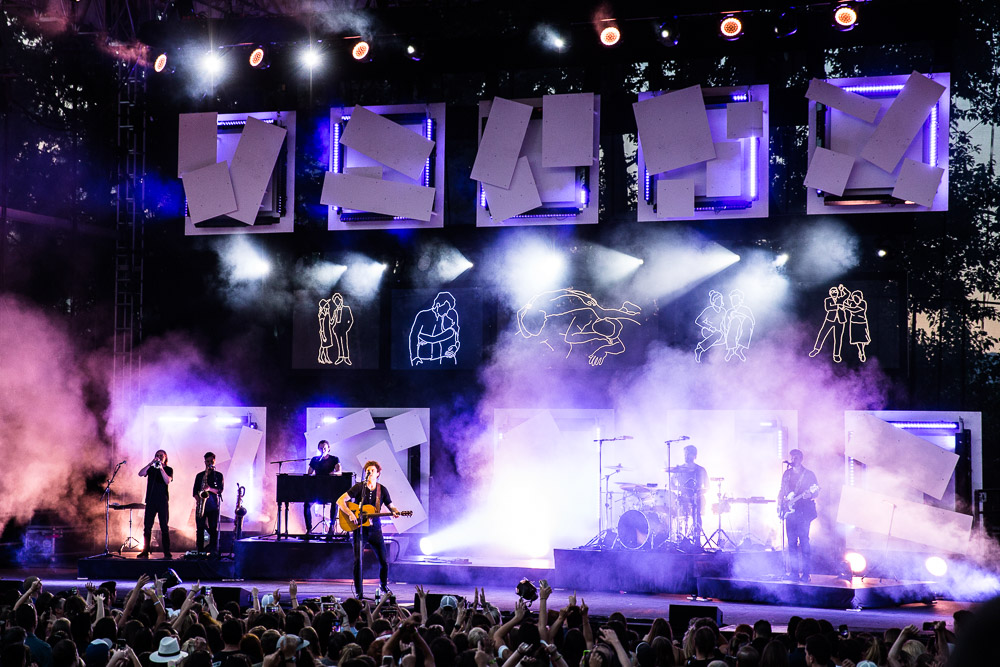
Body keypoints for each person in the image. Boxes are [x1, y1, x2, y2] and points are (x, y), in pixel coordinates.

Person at [336, 460, 401, 599]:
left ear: (378, 473)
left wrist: (395, 511)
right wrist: (350, 513)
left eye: (372, 470)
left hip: (376, 530)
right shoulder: (359, 488)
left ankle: (383, 585)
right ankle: (359, 593)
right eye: (367, 470)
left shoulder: (382, 489)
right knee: (358, 561)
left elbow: (391, 505)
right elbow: (340, 501)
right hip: (360, 530)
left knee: (384, 561)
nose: (369, 472)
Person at [779, 449, 820, 582]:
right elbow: (781, 490)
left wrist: (811, 494)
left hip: (803, 513)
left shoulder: (808, 475)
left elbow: (816, 491)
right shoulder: (787, 474)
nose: (792, 460)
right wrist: (780, 504)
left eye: (795, 458)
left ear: (801, 459)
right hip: (789, 514)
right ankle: (794, 573)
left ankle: (806, 574)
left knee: (804, 543)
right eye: (791, 457)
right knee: (791, 544)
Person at [137, 449, 173, 559]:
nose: (159, 457)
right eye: (157, 455)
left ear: (165, 457)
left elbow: (167, 481)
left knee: (164, 527)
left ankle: (167, 552)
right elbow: (140, 473)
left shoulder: (168, 469)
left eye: (161, 455)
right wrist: (150, 463)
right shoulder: (151, 469)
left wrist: (161, 468)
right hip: (151, 501)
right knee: (147, 527)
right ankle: (145, 551)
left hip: (162, 501)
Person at [670, 445, 708, 545]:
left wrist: (699, 493)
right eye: (685, 453)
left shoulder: (701, 470)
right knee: (676, 514)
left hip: (697, 498)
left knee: (697, 516)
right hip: (682, 498)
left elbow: (707, 487)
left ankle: (697, 539)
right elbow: (671, 484)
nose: (686, 456)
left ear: (695, 455)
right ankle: (679, 538)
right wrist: (677, 489)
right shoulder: (679, 469)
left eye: (688, 453)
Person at [304, 440, 342, 537]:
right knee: (307, 504)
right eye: (321, 448)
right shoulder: (315, 460)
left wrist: (334, 473)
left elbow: (339, 472)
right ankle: (309, 529)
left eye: (324, 448)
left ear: (328, 449)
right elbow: (309, 472)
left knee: (335, 502)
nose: (323, 450)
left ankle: (331, 528)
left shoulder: (334, 459)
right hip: (317, 488)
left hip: (330, 488)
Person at [192, 452, 224, 557]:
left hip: (213, 506)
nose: (209, 463)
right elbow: (194, 492)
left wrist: (209, 489)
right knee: (200, 529)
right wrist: (199, 501)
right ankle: (200, 550)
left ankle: (213, 550)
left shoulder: (218, 476)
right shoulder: (200, 475)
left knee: (213, 528)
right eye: (207, 461)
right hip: (201, 505)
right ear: (204, 462)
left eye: (211, 461)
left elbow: (219, 491)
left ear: (214, 461)